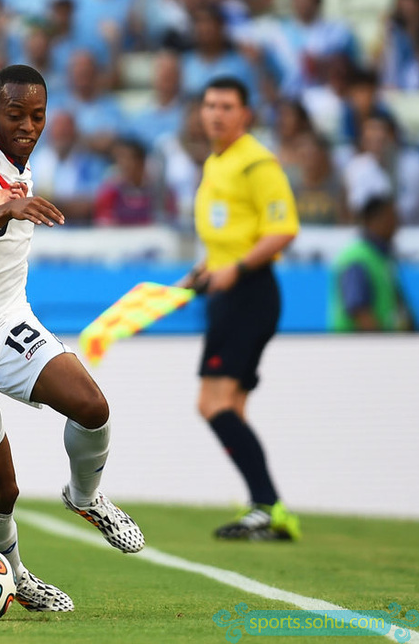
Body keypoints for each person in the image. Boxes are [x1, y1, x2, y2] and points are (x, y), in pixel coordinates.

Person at [0, 65, 145, 613]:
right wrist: (6, 210)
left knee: (92, 407)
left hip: (7, 320)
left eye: (37, 116)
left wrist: (11, 205)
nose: (28, 126)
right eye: (16, 114)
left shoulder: (22, 165)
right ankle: (15, 576)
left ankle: (85, 497)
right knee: (3, 491)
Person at [178, 76, 302, 541]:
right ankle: (264, 508)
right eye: (210, 105)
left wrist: (237, 269)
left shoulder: (256, 162)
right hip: (230, 292)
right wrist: (203, 270)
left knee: (212, 404)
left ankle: (268, 505)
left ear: (245, 114)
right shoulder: (216, 162)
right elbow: (227, 239)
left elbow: (283, 229)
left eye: (227, 106)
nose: (216, 114)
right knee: (232, 406)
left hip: (249, 293)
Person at [329, 155, 414, 332]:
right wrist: (381, 344)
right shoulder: (357, 258)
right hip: (357, 347)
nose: (397, 224)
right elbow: (360, 310)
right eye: (392, 217)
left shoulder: (381, 256)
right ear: (375, 220)